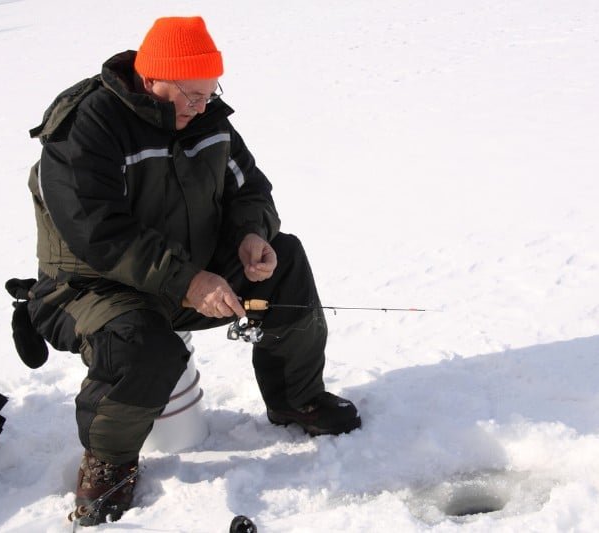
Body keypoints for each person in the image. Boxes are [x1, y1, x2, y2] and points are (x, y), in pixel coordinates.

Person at [19, 16, 361, 526]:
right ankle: (108, 463)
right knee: (142, 346)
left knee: (283, 260)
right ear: (153, 77)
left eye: (209, 92)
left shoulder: (209, 121)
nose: (203, 106)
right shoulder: (87, 127)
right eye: (191, 94)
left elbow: (252, 190)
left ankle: (295, 400)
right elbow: (97, 233)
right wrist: (188, 282)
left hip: (188, 277)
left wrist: (252, 235)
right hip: (92, 286)